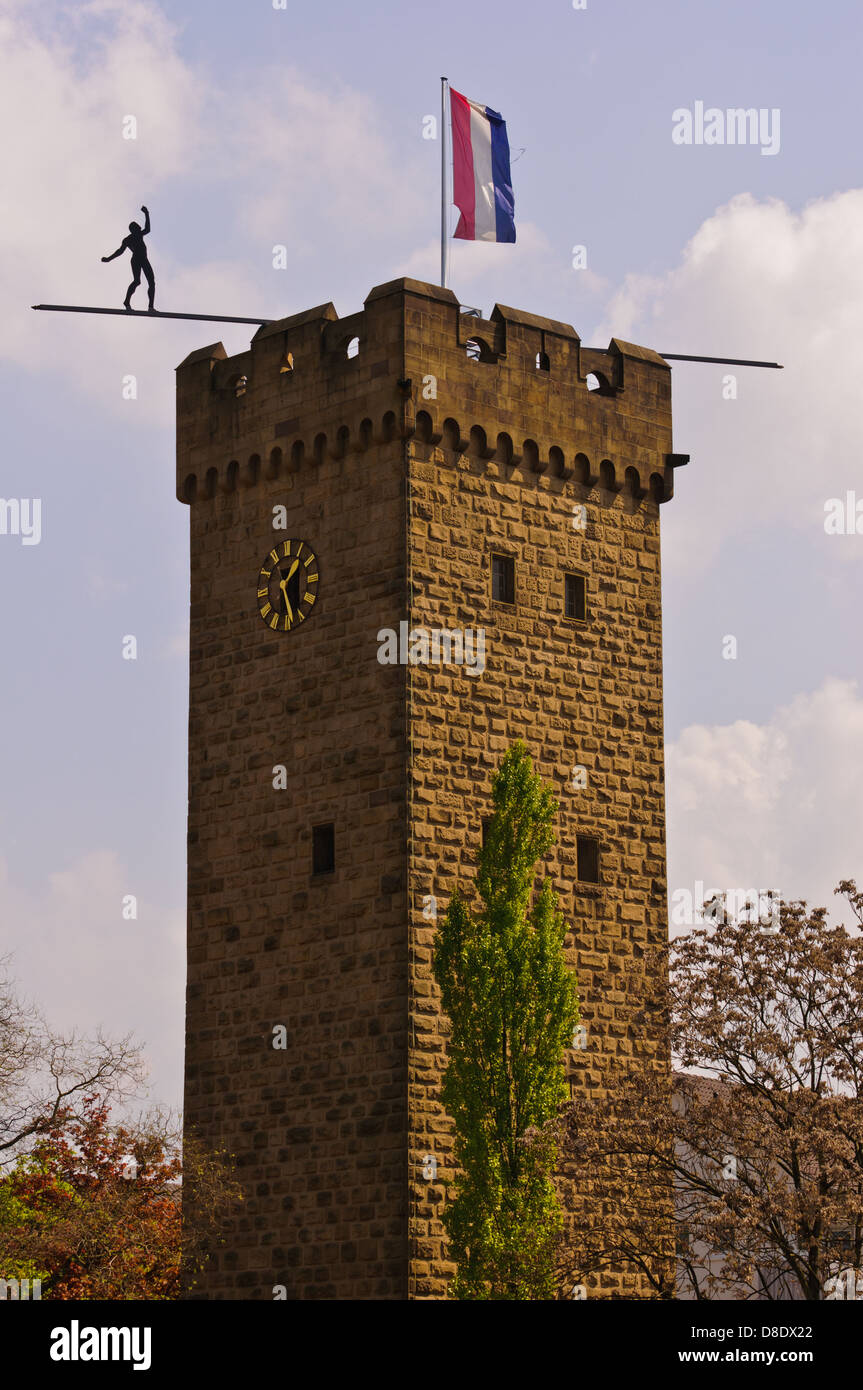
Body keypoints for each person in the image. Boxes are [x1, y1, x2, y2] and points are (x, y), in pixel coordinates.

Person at [101, 206, 156, 311]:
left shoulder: (138, 235)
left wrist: (147, 213)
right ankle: (127, 302)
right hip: (136, 260)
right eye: (137, 227)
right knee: (137, 281)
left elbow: (148, 229)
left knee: (151, 282)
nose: (139, 227)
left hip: (144, 259)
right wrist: (108, 259)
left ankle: (151, 307)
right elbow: (120, 251)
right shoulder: (130, 238)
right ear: (134, 229)